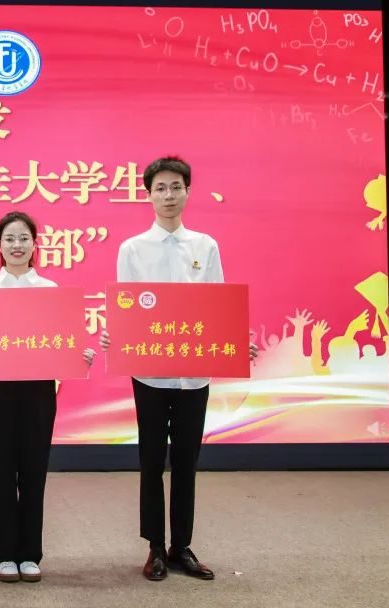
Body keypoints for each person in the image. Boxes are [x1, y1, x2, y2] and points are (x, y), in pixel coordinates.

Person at [100, 156, 255, 582]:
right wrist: (117, 335)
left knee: (187, 460)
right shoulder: (133, 249)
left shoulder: (205, 246)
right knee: (151, 460)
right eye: (160, 188)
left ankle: (181, 545)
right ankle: (154, 546)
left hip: (195, 374)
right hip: (150, 373)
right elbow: (127, 307)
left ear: (188, 191)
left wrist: (237, 341)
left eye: (175, 187)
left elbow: (219, 305)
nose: (168, 195)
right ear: (148, 195)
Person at [0, 211, 95, 583]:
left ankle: (30, 554)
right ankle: (4, 555)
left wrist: (80, 356)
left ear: (35, 244)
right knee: (0, 472)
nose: (17, 245)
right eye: (9, 238)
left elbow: (64, 343)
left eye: (24, 238)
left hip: (39, 391)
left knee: (34, 472)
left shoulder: (51, 291)